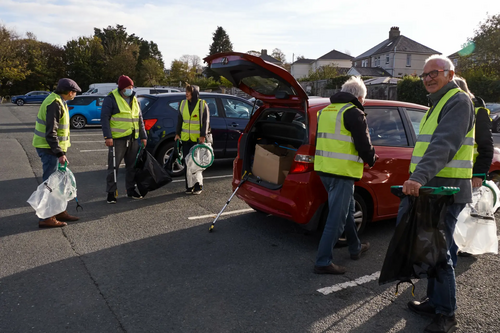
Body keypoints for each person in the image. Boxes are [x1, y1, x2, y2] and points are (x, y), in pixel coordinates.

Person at [404, 55, 475, 333]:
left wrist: (417, 177)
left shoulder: (458, 101)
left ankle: (446, 314)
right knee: (433, 251)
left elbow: (444, 144)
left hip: (448, 190)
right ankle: (435, 301)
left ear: (450, 73)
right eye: (424, 75)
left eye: (435, 73)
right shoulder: (437, 104)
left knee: (441, 253)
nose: (429, 78)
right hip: (434, 190)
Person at [313, 76, 376, 275]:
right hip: (342, 172)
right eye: (363, 100)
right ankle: (323, 261)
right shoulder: (354, 112)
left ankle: (355, 248)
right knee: (337, 218)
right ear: (359, 96)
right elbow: (363, 145)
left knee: (347, 211)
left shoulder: (325, 111)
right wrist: (372, 158)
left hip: (325, 169)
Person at [451, 75, 494, 262]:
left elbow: (486, 146)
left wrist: (479, 173)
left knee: (470, 215)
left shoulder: (478, 111)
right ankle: (459, 246)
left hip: (470, 172)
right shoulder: (453, 110)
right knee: (459, 215)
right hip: (456, 171)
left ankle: (468, 247)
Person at [32, 78, 82, 228]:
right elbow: (50, 133)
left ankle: (59, 211)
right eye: (74, 92)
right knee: (50, 184)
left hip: (53, 149)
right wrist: (60, 153)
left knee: (59, 183)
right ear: (68, 92)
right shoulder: (54, 103)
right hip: (49, 149)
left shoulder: (59, 101)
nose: (75, 94)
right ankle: (47, 217)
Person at [101, 75, 147, 204]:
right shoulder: (111, 99)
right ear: (121, 88)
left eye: (131, 87)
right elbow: (105, 118)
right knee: (113, 167)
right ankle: (111, 192)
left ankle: (130, 190)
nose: (130, 89)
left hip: (133, 138)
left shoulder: (135, 100)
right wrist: (107, 136)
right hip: (117, 139)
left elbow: (140, 119)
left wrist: (143, 136)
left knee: (132, 166)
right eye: (128, 87)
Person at [174, 84, 211, 195]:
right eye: (186, 91)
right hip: (186, 139)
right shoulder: (182, 104)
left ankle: (198, 186)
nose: (186, 93)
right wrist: (177, 133)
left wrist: (203, 135)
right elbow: (180, 120)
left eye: (189, 91)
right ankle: (189, 187)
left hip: (197, 140)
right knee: (187, 164)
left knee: (197, 164)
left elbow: (206, 121)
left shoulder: (202, 104)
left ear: (194, 93)